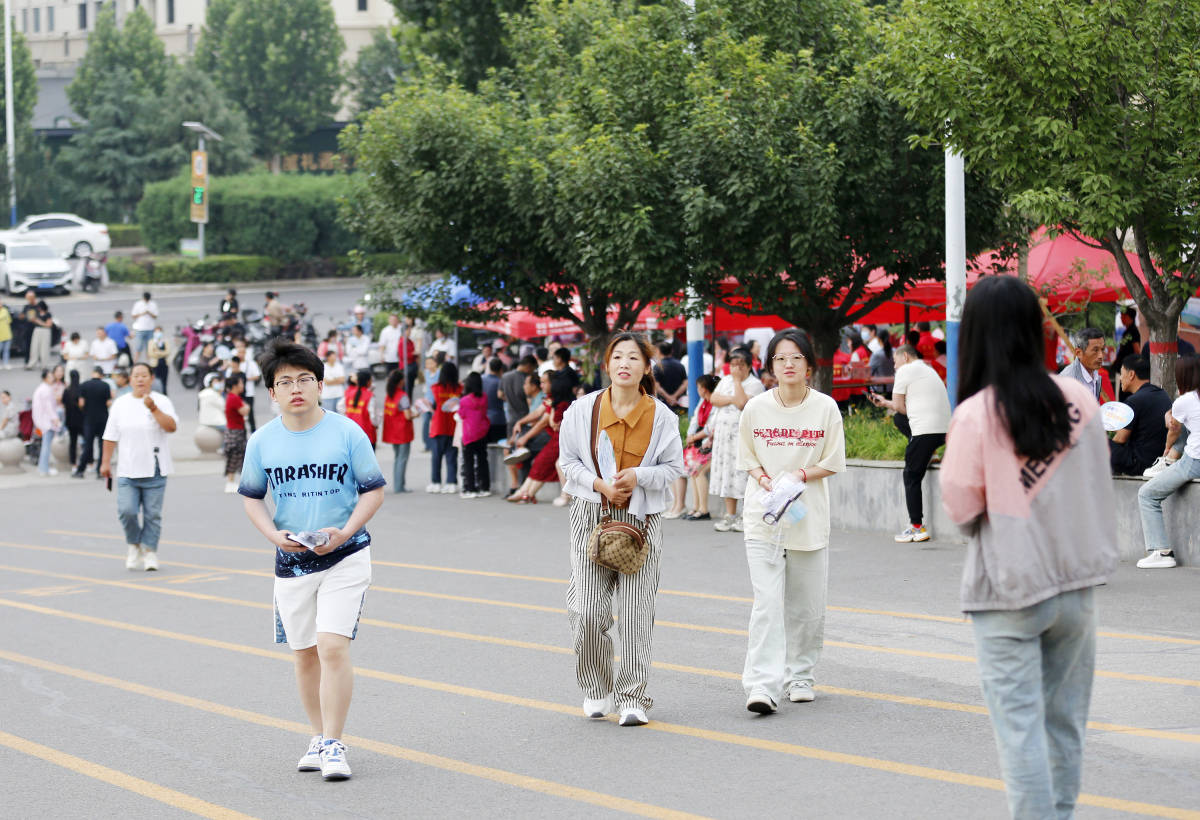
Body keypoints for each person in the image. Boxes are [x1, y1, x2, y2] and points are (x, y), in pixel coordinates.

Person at [940, 275, 1118, 819]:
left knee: (1020, 733)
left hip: (1009, 591)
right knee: (1064, 725)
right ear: (1032, 329)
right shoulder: (1080, 401)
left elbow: (961, 507)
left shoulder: (976, 414)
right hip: (1076, 588)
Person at [238, 339, 385, 782]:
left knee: (332, 646)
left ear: (320, 385)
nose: (296, 388)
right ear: (272, 393)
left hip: (346, 555)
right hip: (293, 562)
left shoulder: (347, 432)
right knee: (304, 655)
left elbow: (373, 489)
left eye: (304, 379)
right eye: (285, 382)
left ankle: (335, 743)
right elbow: (251, 498)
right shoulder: (262, 442)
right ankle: (317, 736)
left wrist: (347, 530)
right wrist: (273, 536)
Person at [557, 332, 684, 726]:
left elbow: (674, 469)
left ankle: (633, 697)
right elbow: (568, 462)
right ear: (607, 365)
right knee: (588, 611)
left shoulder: (662, 417)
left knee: (634, 614)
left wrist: (638, 475)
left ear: (647, 367)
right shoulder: (580, 411)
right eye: (618, 357)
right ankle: (597, 687)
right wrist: (600, 484)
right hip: (592, 515)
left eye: (634, 357)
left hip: (639, 522)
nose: (625, 363)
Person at [737, 329, 845, 714]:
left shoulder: (826, 408)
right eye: (781, 358)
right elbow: (746, 455)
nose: (788, 365)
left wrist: (799, 476)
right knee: (767, 603)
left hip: (807, 516)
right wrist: (766, 481)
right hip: (763, 516)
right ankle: (762, 686)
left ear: (809, 366)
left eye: (796, 358)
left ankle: (800, 675)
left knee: (806, 605)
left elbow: (832, 461)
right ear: (770, 366)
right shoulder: (756, 408)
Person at [100, 362, 179, 572]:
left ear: (152, 378)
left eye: (145, 375)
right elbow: (110, 436)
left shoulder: (162, 401)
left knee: (153, 514)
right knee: (127, 511)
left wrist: (153, 408)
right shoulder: (120, 404)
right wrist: (105, 462)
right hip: (127, 468)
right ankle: (134, 544)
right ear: (130, 379)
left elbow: (171, 427)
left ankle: (150, 551)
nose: (140, 379)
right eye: (136, 375)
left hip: (155, 467)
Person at [868, 344, 951, 542]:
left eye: (895, 363)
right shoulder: (928, 369)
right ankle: (931, 453)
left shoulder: (905, 370)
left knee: (911, 476)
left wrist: (891, 404)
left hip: (925, 431)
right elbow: (904, 410)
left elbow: (899, 406)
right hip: (944, 431)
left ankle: (916, 527)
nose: (895, 367)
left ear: (905, 357)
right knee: (898, 419)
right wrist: (885, 403)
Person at [1135, 355, 1200, 569]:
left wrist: (1166, 448)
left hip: (1194, 461)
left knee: (1147, 495)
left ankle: (1161, 551)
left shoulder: (1186, 400)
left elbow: (1174, 431)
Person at [707, 347, 765, 532]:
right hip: (724, 439)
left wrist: (738, 383)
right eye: (733, 365)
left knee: (743, 476)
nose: (735, 369)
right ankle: (730, 515)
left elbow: (742, 403)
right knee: (727, 475)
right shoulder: (724, 381)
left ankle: (744, 515)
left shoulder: (755, 384)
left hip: (742, 438)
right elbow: (714, 399)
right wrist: (732, 396)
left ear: (749, 366)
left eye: (740, 365)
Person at [507, 372, 572, 504]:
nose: (541, 385)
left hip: (560, 440)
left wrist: (525, 437)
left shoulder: (560, 403)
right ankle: (525, 492)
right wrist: (521, 422)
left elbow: (547, 422)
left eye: (544, 382)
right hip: (555, 439)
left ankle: (526, 493)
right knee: (541, 465)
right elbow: (538, 413)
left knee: (541, 464)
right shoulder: (550, 399)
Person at [1109, 354, 1172, 477]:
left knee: (1103, 443)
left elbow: (1120, 439)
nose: (1120, 378)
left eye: (1122, 373)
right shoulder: (1163, 394)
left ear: (1131, 374)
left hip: (1141, 464)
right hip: (1159, 462)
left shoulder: (1134, 401)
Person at [682, 374, 720, 521]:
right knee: (693, 471)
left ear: (704, 389)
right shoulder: (703, 402)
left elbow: (711, 427)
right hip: (703, 443)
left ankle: (703, 510)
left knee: (698, 471)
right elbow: (694, 421)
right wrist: (690, 436)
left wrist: (694, 437)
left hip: (714, 445)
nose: (697, 390)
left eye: (698, 387)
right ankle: (696, 508)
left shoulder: (716, 403)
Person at [381, 368, 418, 493]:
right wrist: (416, 414)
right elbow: (408, 415)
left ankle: (398, 484)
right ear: (400, 381)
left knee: (397, 458)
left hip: (392, 431)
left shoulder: (389, 395)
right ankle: (399, 486)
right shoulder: (403, 397)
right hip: (402, 432)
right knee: (402, 458)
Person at [428, 362, 462, 492]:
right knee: (452, 455)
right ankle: (451, 483)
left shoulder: (435, 388)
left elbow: (432, 406)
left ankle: (436, 482)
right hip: (453, 426)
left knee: (436, 456)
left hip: (439, 425)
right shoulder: (459, 389)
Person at [458, 371, 492, 498]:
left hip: (469, 433)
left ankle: (470, 488)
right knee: (483, 460)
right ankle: (485, 487)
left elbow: (461, 415)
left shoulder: (465, 400)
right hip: (482, 431)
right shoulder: (484, 397)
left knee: (468, 461)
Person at [74, 367, 112, 478]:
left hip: (89, 419)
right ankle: (100, 471)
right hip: (103, 419)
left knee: (87, 445)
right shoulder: (105, 386)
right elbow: (108, 402)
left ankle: (81, 470)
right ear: (101, 375)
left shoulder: (84, 385)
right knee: (102, 446)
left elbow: (81, 403)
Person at [1060, 327, 1107, 401]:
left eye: (1103, 349)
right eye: (1095, 350)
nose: (1101, 356)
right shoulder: (1068, 380)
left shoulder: (1095, 373)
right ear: (1079, 353)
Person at [32, 369, 63, 476]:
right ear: (45, 378)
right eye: (50, 377)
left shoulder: (42, 389)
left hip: (43, 420)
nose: (52, 378)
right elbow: (49, 407)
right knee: (46, 446)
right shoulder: (46, 390)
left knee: (45, 445)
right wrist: (55, 419)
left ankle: (42, 467)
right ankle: (44, 469)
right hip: (47, 421)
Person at [340, 369, 379, 449]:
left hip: (351, 434)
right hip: (367, 434)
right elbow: (373, 417)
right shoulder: (370, 396)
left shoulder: (348, 393)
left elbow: (340, 407)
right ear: (368, 382)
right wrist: (376, 424)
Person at [501, 355, 536, 438]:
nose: (532, 371)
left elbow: (500, 394)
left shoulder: (505, 376)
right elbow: (529, 401)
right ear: (528, 366)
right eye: (533, 368)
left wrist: (510, 399)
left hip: (510, 417)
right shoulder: (527, 379)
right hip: (524, 419)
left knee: (510, 445)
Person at [232, 339, 261, 432]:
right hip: (238, 393)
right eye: (239, 352)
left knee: (250, 414)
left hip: (248, 393)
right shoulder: (234, 364)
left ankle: (253, 432)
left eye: (242, 352)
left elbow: (257, 376)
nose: (240, 354)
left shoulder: (251, 364)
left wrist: (246, 379)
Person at [653, 341, 687, 410]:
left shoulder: (657, 367)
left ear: (659, 351)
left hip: (663, 403)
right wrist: (674, 397)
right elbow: (685, 383)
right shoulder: (680, 365)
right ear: (672, 351)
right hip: (679, 402)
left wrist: (668, 397)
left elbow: (657, 386)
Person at [62, 370, 85, 468]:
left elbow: (63, 403)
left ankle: (73, 463)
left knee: (73, 442)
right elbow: (82, 404)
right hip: (80, 420)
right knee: (86, 440)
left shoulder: (67, 390)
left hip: (70, 420)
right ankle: (88, 461)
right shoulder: (81, 389)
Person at [25, 295, 54, 370]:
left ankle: (44, 365)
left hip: (45, 331)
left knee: (44, 348)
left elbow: (48, 325)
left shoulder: (48, 314)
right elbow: (30, 318)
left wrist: (39, 321)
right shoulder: (36, 313)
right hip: (37, 330)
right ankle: (31, 364)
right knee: (34, 347)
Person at [482, 357, 507, 443]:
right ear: (501, 369)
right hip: (498, 419)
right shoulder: (501, 382)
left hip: (483, 419)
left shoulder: (481, 380)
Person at [130, 291, 158, 363]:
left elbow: (155, 316)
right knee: (138, 348)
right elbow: (133, 315)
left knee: (149, 348)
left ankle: (149, 363)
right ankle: (135, 363)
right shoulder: (138, 304)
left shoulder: (153, 304)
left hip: (150, 329)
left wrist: (149, 313)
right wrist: (142, 313)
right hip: (140, 329)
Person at [147, 327, 172, 394]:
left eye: (159, 332)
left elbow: (168, 352)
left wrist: (157, 352)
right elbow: (151, 353)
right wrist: (162, 353)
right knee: (155, 382)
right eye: (156, 332)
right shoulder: (151, 342)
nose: (158, 334)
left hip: (164, 364)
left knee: (164, 382)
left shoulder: (165, 341)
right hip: (155, 365)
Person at [0, 301, 11, 369]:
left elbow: (9, 320)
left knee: (6, 350)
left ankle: (6, 363)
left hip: (7, 334)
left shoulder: (5, 310)